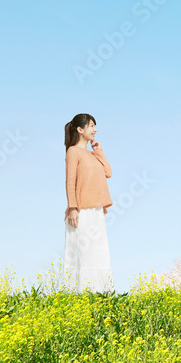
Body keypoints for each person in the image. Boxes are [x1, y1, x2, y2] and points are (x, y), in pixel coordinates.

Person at [62, 113, 114, 293]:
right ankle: (79, 295)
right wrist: (73, 208)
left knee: (98, 252)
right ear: (80, 129)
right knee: (83, 254)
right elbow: (70, 182)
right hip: (81, 211)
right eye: (91, 125)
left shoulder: (93, 154)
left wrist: (99, 150)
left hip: (97, 211)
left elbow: (108, 172)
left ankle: (101, 293)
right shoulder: (73, 152)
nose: (95, 129)